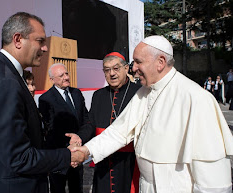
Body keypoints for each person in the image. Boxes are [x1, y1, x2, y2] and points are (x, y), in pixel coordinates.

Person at [0, 12, 84, 193]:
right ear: (18, 39)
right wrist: (67, 155)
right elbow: (19, 157)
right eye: (40, 41)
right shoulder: (5, 82)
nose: (45, 48)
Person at [74, 35, 233, 192]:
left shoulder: (195, 98)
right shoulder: (144, 93)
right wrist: (87, 150)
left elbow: (212, 176)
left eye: (138, 62)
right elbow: (118, 133)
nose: (133, 68)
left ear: (160, 62)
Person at [75, 52, 141, 193]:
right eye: (107, 70)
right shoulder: (99, 95)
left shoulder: (139, 93)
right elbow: (90, 124)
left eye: (116, 68)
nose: (111, 73)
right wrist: (79, 137)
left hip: (128, 162)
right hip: (104, 161)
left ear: (125, 68)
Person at [38, 63, 90, 193]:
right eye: (61, 75)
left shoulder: (76, 93)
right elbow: (50, 130)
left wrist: (79, 141)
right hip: (59, 155)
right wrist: (68, 151)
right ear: (52, 79)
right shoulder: (46, 99)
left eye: (66, 73)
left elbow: (86, 120)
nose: (66, 77)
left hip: (78, 153)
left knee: (76, 188)